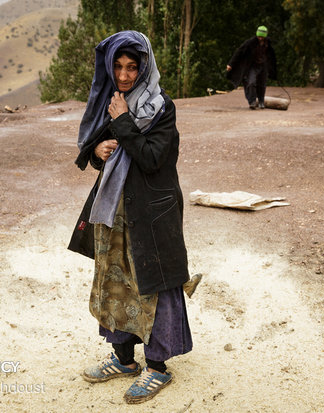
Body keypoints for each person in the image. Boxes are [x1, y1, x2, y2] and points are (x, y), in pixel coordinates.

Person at [67, 30, 195, 404]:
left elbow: (153, 159)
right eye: (118, 67)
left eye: (132, 67)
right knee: (115, 283)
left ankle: (157, 367)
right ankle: (124, 360)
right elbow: (97, 149)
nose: (124, 75)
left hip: (152, 214)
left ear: (144, 67)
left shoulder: (160, 107)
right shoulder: (111, 101)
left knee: (152, 286)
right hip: (115, 212)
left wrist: (122, 123)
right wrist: (99, 150)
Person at [226, 25, 277, 110]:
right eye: (259, 36)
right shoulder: (250, 42)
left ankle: (261, 101)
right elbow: (239, 51)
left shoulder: (268, 43)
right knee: (251, 82)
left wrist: (273, 68)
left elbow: (272, 56)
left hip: (263, 65)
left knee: (262, 84)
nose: (260, 38)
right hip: (253, 65)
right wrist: (230, 64)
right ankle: (252, 101)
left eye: (262, 37)